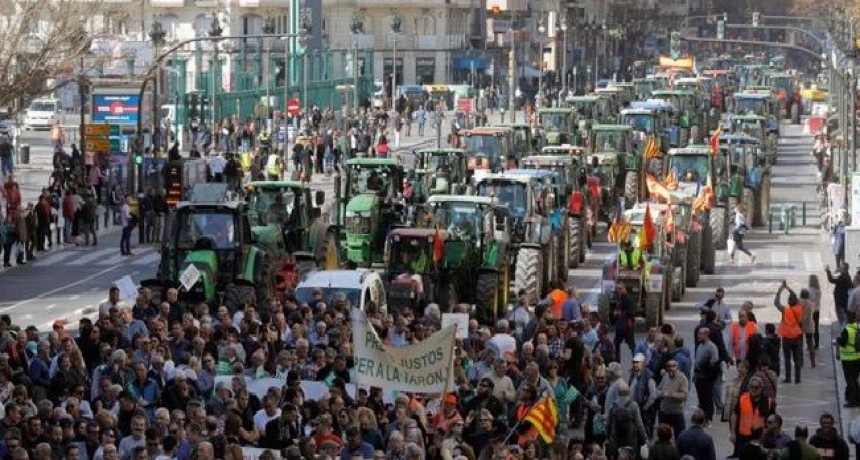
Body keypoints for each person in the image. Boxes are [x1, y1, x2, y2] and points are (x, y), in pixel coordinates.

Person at [774, 281, 805, 384]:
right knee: (797, 359)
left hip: (787, 337)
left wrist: (780, 290)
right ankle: (798, 378)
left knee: (787, 358)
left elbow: (776, 303)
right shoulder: (799, 308)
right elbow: (795, 296)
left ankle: (788, 378)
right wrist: (788, 288)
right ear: (796, 301)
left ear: (788, 302)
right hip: (797, 336)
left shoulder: (785, 310)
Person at [837, 312, 860, 408]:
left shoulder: (847, 329)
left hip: (848, 358)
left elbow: (843, 343)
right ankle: (857, 398)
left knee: (850, 380)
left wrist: (839, 339)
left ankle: (852, 400)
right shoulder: (858, 328)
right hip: (858, 357)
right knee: (855, 379)